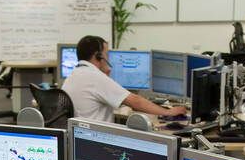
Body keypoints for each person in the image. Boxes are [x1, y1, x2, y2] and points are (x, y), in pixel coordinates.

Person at [61, 35, 189, 126]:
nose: (107, 57)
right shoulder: (95, 77)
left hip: (80, 137)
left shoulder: (74, 75)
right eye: (106, 54)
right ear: (98, 56)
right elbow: (136, 101)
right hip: (96, 138)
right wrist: (169, 112)